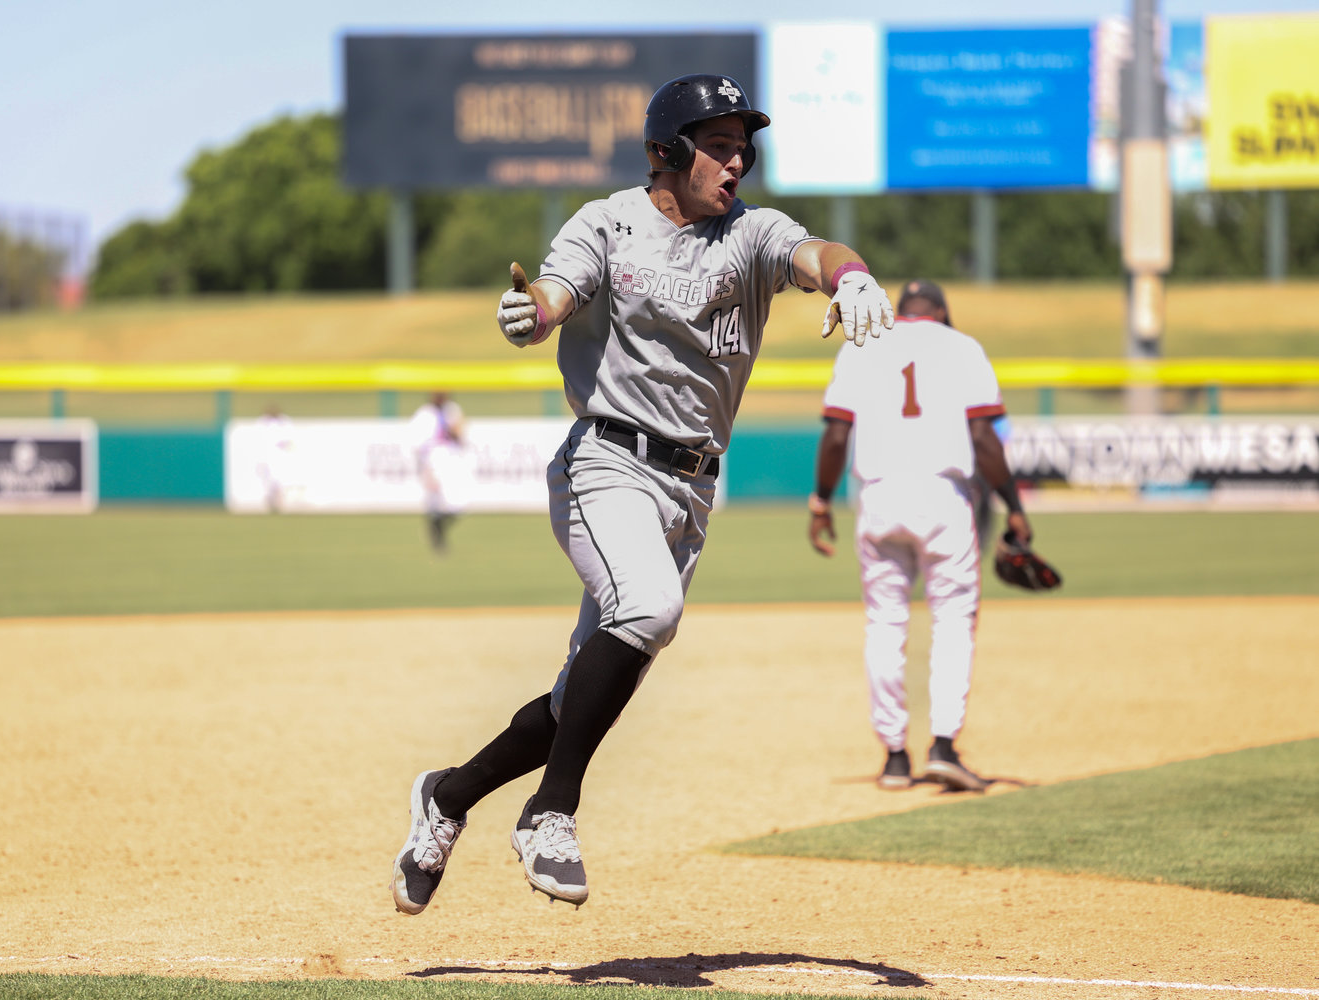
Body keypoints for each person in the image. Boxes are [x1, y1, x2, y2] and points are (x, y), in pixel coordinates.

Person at [390, 73, 895, 915]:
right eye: (720, 145)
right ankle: (551, 811)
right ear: (668, 152)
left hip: (691, 493)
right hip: (607, 461)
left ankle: (446, 797)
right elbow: (559, 289)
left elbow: (817, 255)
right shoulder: (609, 221)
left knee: (576, 695)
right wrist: (537, 310)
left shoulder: (752, 234)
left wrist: (854, 278)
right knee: (650, 611)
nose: (738, 161)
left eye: (745, 146)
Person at [807, 278, 1032, 793]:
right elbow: (983, 437)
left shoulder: (861, 343)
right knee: (953, 620)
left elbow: (837, 434)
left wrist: (820, 501)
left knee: (884, 623)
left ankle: (893, 758)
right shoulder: (963, 347)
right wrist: (1014, 506)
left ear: (900, 311)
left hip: (879, 494)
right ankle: (944, 747)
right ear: (942, 313)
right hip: (943, 496)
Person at [408, 391, 467, 552]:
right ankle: (438, 539)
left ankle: (436, 525)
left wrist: (455, 431)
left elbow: (460, 434)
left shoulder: (452, 410)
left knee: (457, 504)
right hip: (433, 459)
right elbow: (418, 445)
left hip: (451, 457)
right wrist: (425, 469)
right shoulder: (424, 414)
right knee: (435, 502)